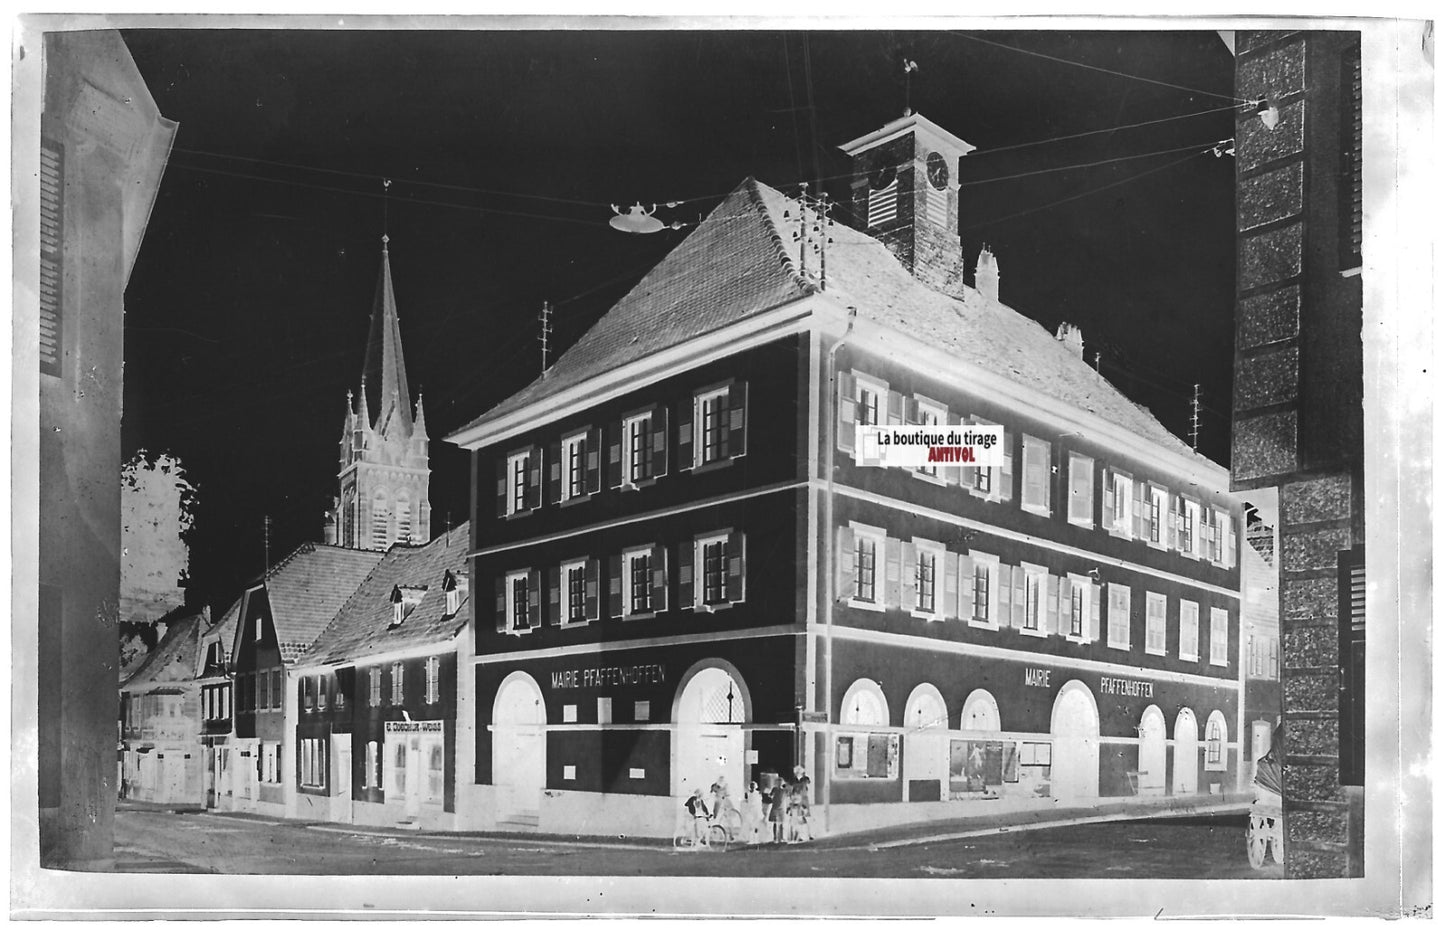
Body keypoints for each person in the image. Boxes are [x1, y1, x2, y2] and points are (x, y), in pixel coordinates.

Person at [790, 765, 813, 843]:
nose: (798, 773)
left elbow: (808, 784)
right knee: (798, 818)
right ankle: (800, 835)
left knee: (806, 817)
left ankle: (809, 834)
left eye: (799, 771)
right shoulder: (794, 781)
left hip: (804, 799)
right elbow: (792, 791)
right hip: (797, 800)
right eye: (797, 771)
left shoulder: (805, 779)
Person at [742, 780, 765, 845]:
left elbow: (759, 803)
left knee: (756, 826)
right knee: (751, 826)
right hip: (750, 811)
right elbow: (746, 801)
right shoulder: (748, 794)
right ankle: (751, 839)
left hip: (756, 811)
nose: (752, 787)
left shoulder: (758, 794)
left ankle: (756, 839)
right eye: (751, 786)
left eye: (753, 786)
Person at [767, 778, 786, 843]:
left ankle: (781, 837)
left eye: (780, 782)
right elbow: (770, 795)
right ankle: (775, 837)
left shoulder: (784, 790)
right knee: (775, 823)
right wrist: (770, 796)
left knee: (781, 824)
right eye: (778, 782)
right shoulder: (774, 789)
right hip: (775, 807)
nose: (779, 783)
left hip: (781, 807)